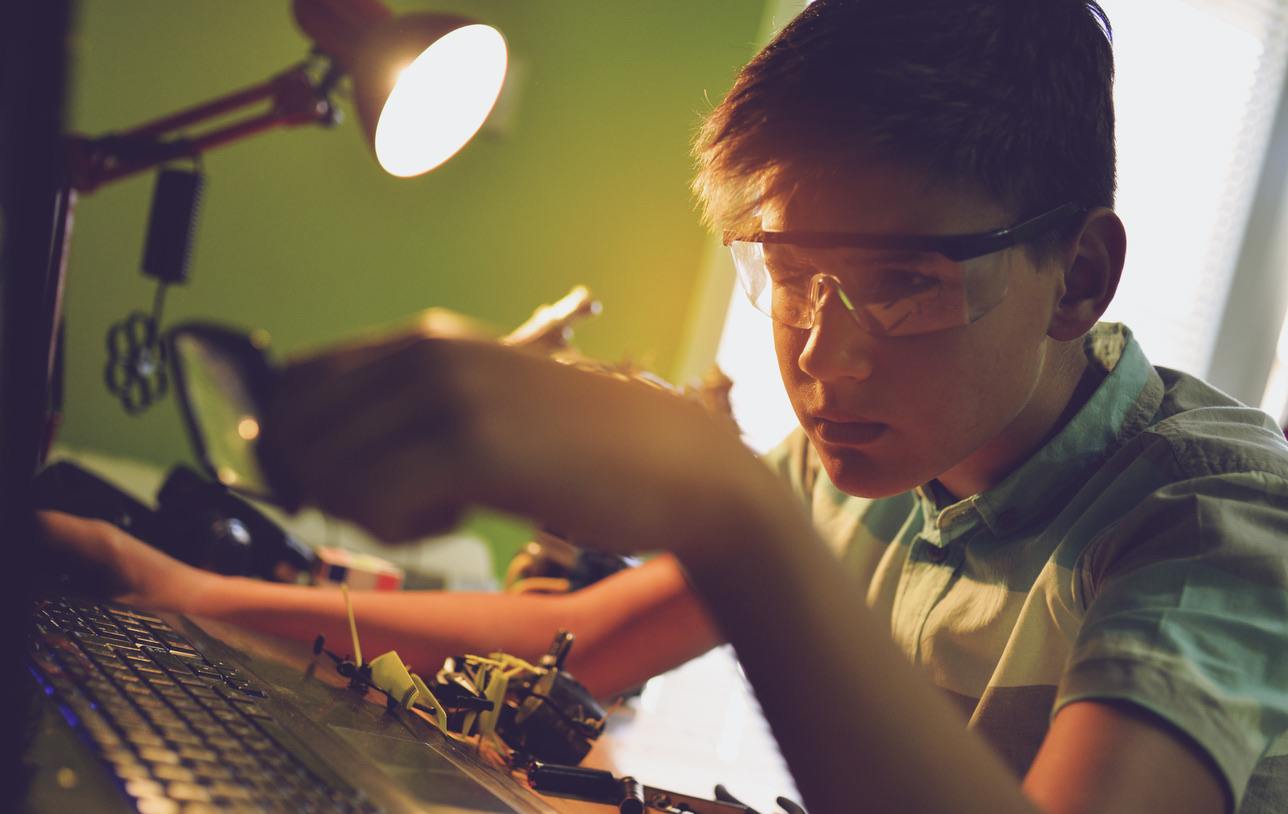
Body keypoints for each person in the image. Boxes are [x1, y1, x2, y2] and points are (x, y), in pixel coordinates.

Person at [41, 0, 1288, 811]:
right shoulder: (878, 463)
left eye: (904, 285)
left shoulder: (1216, 527)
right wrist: (159, 584)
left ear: (1076, 274)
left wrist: (720, 498)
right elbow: (577, 632)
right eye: (787, 276)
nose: (824, 362)